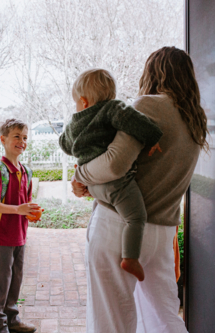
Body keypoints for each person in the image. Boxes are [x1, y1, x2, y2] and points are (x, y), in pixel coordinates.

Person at [72, 47, 209, 333]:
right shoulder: (197, 120)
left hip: (118, 229)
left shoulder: (148, 105)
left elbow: (115, 164)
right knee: (164, 317)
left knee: (111, 321)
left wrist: (82, 175)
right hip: (162, 234)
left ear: (153, 72)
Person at [59, 68, 163, 280]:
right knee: (135, 217)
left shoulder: (74, 123)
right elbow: (136, 122)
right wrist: (153, 137)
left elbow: (66, 146)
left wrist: (74, 127)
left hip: (94, 186)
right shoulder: (113, 108)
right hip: (117, 184)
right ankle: (130, 258)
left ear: (84, 101)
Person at [0, 119, 41, 333]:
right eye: (16, 136)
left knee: (15, 280)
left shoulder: (25, 171)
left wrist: (30, 212)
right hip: (0, 236)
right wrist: (18, 210)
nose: (22, 141)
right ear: (3, 139)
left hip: (19, 235)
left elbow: (21, 204)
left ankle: (12, 320)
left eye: (25, 137)